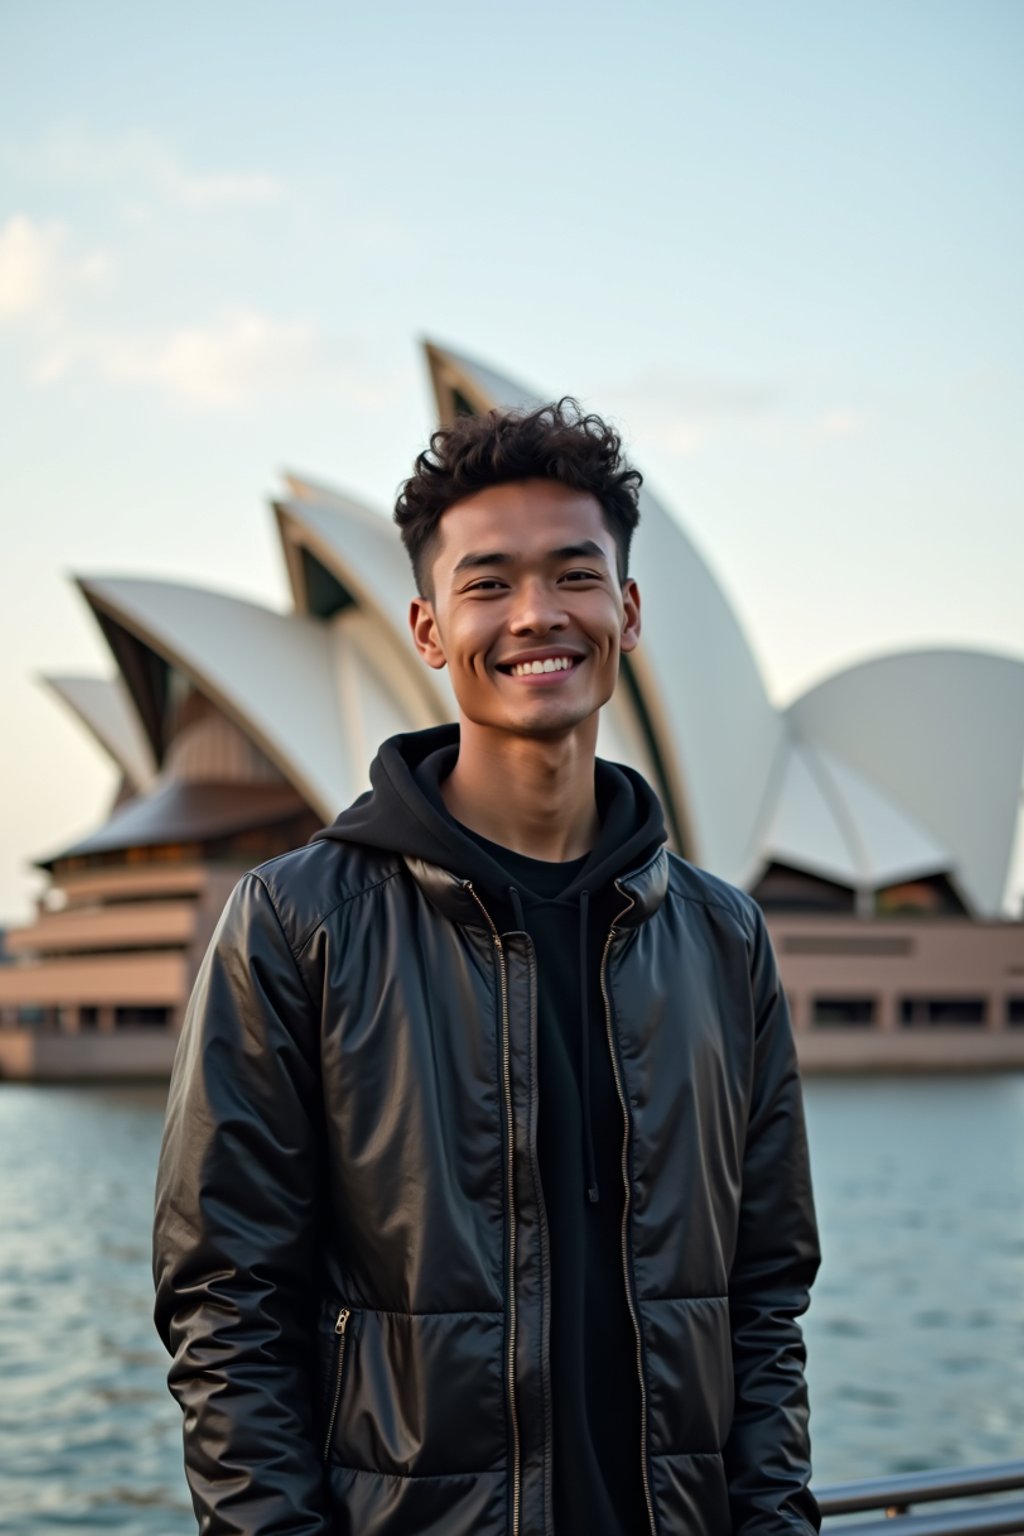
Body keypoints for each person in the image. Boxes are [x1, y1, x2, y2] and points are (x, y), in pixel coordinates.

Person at [153, 398, 821, 1536]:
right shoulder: (295, 923)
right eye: (487, 583)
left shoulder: (721, 939)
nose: (535, 617)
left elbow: (763, 1299)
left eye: (573, 575)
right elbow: (228, 1308)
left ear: (629, 607)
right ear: (423, 628)